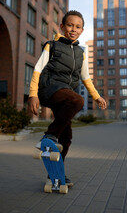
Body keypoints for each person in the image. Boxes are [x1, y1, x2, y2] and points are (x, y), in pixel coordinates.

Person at [28, 10, 108, 186]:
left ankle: (56, 174)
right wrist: (33, 95)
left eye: (78, 27)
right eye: (70, 25)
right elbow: (38, 69)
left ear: (82, 30)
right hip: (50, 88)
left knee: (67, 137)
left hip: (64, 95)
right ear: (63, 27)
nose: (73, 29)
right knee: (77, 100)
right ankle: (49, 135)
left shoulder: (81, 53)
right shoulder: (53, 45)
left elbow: (86, 78)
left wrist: (97, 97)